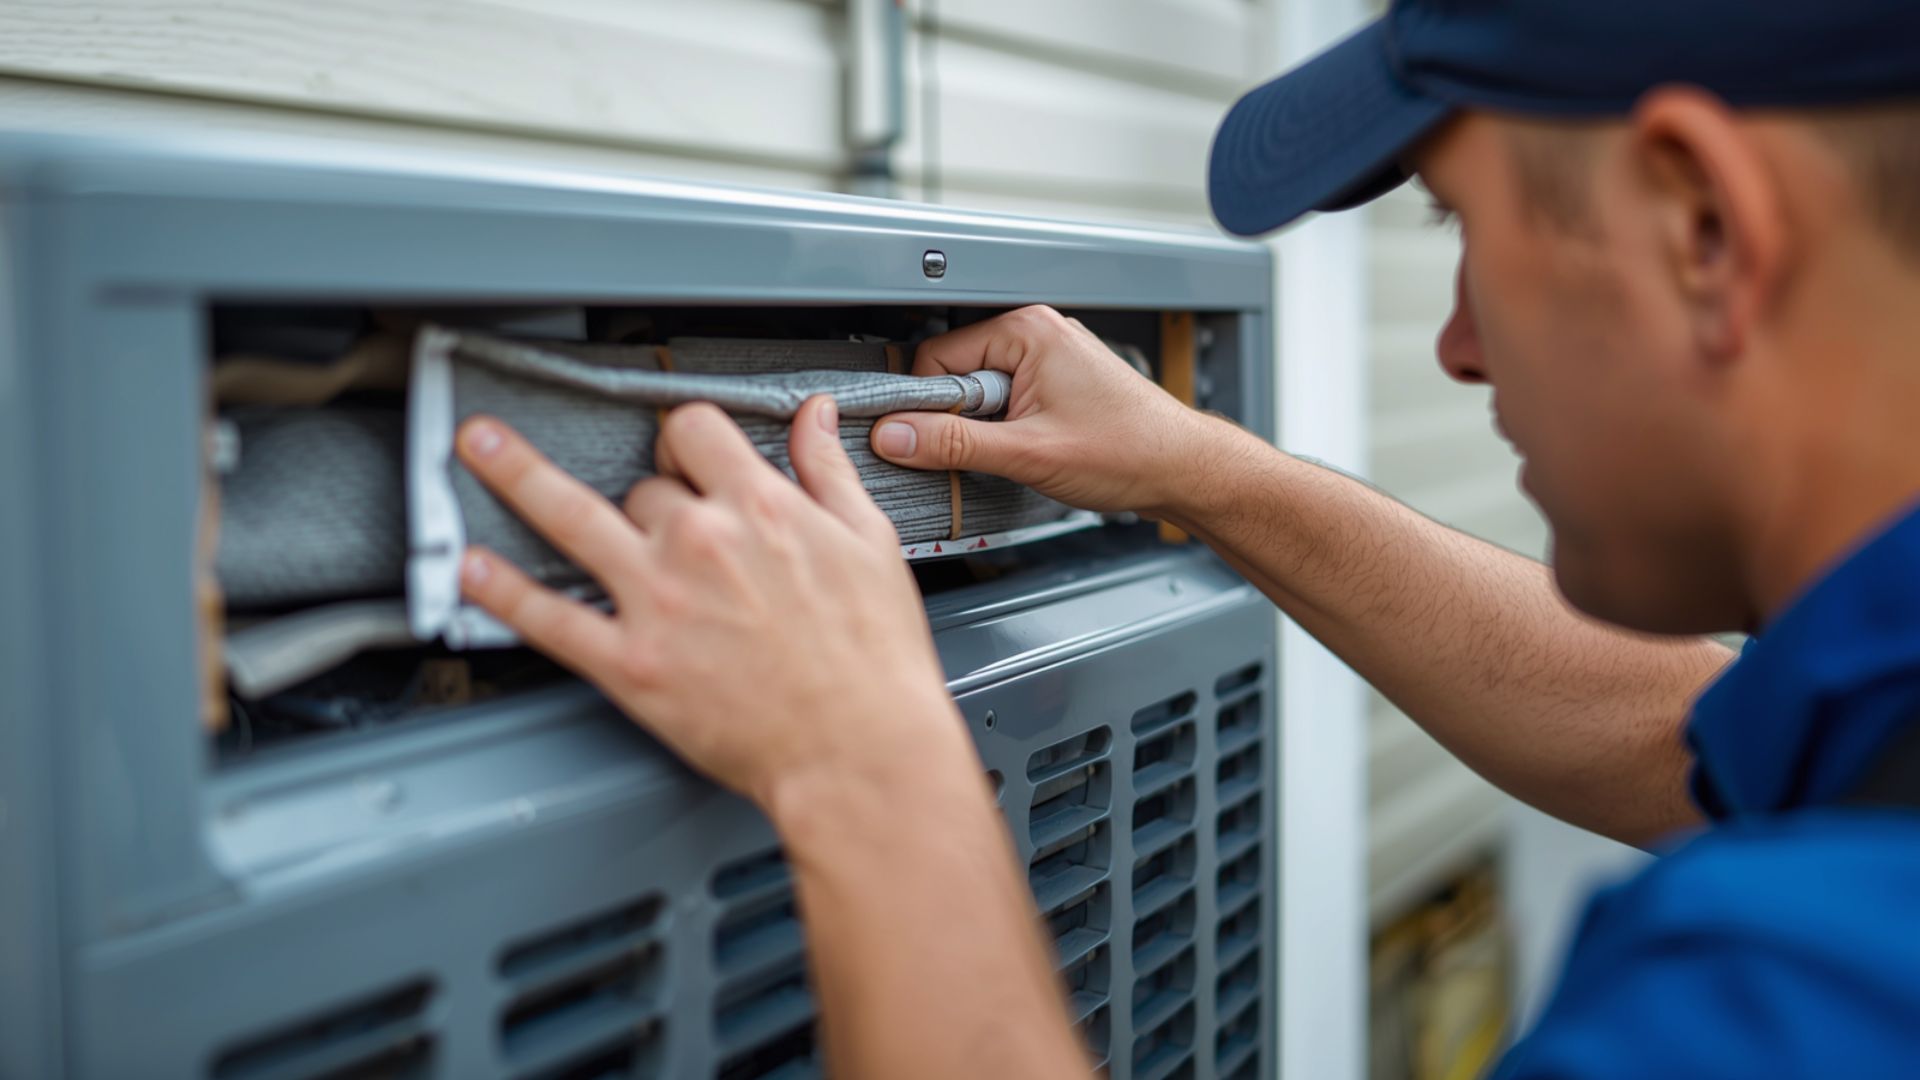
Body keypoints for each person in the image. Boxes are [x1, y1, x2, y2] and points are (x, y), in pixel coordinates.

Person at [446, 0, 1920, 1073]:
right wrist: (1198, 468)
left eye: (1464, 224)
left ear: (1704, 228)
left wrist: (862, 763)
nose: (1460, 346)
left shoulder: (1799, 1006)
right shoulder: (1873, 734)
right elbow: (1679, 743)